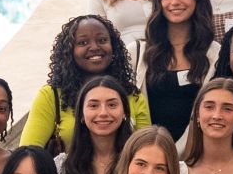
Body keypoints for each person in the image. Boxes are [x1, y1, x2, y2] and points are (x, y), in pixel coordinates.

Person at [19, 15, 151, 150]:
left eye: (102, 40)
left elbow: (147, 150)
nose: (94, 47)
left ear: (114, 47)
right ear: (69, 51)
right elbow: (27, 153)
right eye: (82, 43)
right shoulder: (50, 95)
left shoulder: (132, 94)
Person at [141, 0, 220, 140]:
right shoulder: (138, 54)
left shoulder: (216, 55)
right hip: (150, 157)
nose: (175, 2)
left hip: (197, 158)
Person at [58, 74, 133, 174]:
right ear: (81, 115)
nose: (103, 112)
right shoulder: (62, 166)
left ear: (124, 112)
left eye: (112, 105)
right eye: (93, 105)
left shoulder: (138, 163)